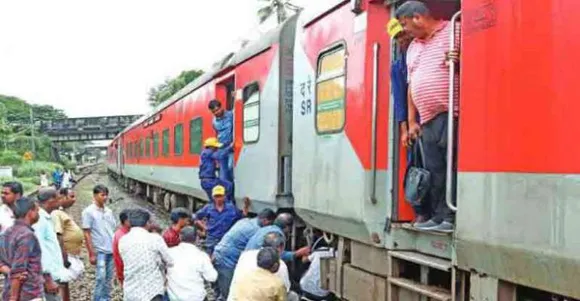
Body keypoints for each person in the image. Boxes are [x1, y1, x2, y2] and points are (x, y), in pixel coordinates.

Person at [396, 1, 459, 232]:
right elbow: (411, 86)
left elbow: (475, 62)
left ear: (418, 18)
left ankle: (451, 218)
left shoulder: (454, 31)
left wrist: (460, 60)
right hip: (427, 118)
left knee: (451, 165)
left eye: (405, 24)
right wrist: (412, 121)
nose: (405, 30)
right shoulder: (413, 47)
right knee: (435, 169)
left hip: (451, 111)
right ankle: (439, 215)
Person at [387, 18, 430, 225]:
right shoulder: (397, 66)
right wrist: (404, 129)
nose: (402, 40)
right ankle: (421, 210)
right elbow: (400, 101)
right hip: (415, 124)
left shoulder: (424, 54)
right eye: (398, 38)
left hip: (430, 116)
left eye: (403, 35)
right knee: (417, 165)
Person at [212, 208, 276, 298]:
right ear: (265, 221)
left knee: (220, 291)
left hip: (218, 254)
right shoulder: (256, 231)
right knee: (229, 294)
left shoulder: (245, 221)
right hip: (227, 260)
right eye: (270, 224)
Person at [119, 209, 174, 301]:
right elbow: (170, 261)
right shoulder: (155, 238)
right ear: (147, 223)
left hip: (131, 291)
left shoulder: (123, 240)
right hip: (152, 292)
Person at [229, 233, 299, 301]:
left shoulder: (246, 255)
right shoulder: (280, 268)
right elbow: (285, 290)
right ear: (280, 248)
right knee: (293, 296)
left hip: (234, 297)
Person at [33, 188, 74, 301]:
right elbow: (38, 249)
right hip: (48, 277)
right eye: (58, 198)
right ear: (50, 200)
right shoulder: (40, 220)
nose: (60, 200)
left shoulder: (46, 217)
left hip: (53, 274)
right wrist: (47, 279)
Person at [0, 197, 42, 301]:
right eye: (37, 210)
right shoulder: (26, 235)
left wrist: (8, 271)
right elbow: (18, 271)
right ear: (30, 212)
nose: (38, 214)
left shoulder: (6, 232)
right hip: (27, 293)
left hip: (8, 289)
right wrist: (13, 298)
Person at [82, 184, 116, 301]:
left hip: (111, 249)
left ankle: (106, 298)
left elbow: (113, 229)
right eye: (102, 195)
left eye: (106, 195)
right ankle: (97, 299)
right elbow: (86, 232)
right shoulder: (88, 212)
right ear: (95, 195)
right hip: (100, 251)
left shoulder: (109, 211)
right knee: (100, 278)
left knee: (108, 278)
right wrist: (91, 253)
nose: (105, 197)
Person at [193, 185, 250, 255]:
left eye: (220, 196)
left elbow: (241, 218)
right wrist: (204, 227)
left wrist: (246, 207)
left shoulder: (231, 208)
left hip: (225, 238)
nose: (218, 199)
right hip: (212, 238)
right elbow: (196, 218)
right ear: (213, 197)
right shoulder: (208, 208)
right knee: (209, 256)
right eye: (216, 196)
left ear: (224, 196)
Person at [166, 226, 217, 301]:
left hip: (174, 297)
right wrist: (210, 264)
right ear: (197, 238)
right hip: (196, 297)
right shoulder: (201, 256)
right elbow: (212, 277)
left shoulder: (169, 252)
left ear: (180, 237)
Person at [52, 188, 85, 301]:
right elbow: (58, 235)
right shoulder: (56, 213)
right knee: (61, 283)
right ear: (62, 196)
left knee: (64, 283)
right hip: (65, 255)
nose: (74, 199)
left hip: (69, 254)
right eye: (71, 196)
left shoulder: (61, 212)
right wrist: (64, 257)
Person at [245, 213, 310, 262]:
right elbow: (275, 255)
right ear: (287, 227)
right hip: (254, 264)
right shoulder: (276, 234)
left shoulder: (266, 229)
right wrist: (298, 253)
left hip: (245, 261)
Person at [199, 137, 234, 203]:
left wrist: (216, 168)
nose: (217, 149)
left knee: (214, 201)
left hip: (207, 181)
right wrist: (230, 148)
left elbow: (207, 167)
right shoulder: (208, 152)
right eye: (215, 147)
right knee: (228, 185)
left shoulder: (205, 153)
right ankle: (226, 204)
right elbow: (220, 155)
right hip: (209, 181)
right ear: (211, 146)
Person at [208, 100, 234, 183]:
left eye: (217, 110)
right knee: (223, 175)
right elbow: (217, 134)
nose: (216, 113)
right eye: (213, 112)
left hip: (231, 147)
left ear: (221, 107)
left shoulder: (231, 115)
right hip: (221, 149)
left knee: (230, 168)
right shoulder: (214, 122)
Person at [112, 209, 132, 285]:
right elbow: (119, 259)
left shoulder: (121, 233)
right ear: (125, 221)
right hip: (126, 272)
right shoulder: (121, 236)